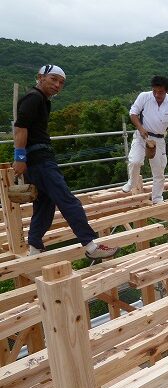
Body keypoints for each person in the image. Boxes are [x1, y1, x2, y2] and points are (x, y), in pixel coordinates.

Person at [12, 65, 119, 259]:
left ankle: (35, 248)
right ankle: (90, 245)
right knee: (67, 199)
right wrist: (19, 158)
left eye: (61, 82)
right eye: (53, 79)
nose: (57, 85)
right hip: (39, 159)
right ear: (40, 77)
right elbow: (20, 128)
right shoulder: (33, 97)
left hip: (38, 159)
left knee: (44, 204)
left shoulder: (43, 101)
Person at [122, 76, 168, 204]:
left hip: (159, 140)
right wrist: (140, 128)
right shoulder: (144, 96)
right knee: (135, 161)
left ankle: (157, 198)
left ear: (166, 91)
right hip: (142, 136)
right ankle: (132, 181)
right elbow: (133, 113)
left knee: (159, 171)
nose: (157, 94)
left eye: (160, 92)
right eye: (155, 91)